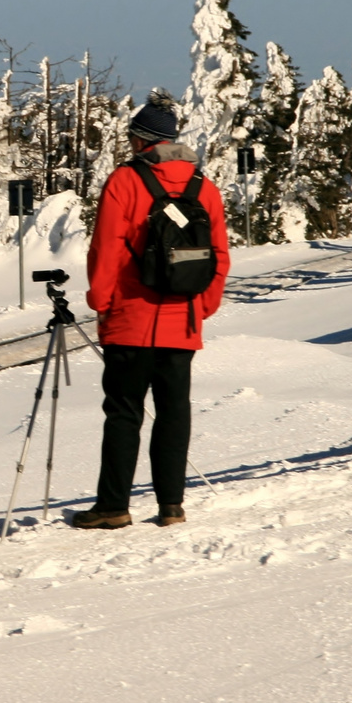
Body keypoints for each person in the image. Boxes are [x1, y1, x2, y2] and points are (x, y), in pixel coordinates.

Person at [75, 92, 229, 529]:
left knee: (124, 412)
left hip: (131, 317)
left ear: (142, 141)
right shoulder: (206, 187)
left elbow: (105, 249)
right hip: (183, 320)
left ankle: (113, 505)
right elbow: (219, 255)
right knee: (174, 411)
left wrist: (103, 304)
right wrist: (202, 306)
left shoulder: (125, 182)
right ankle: (171, 505)